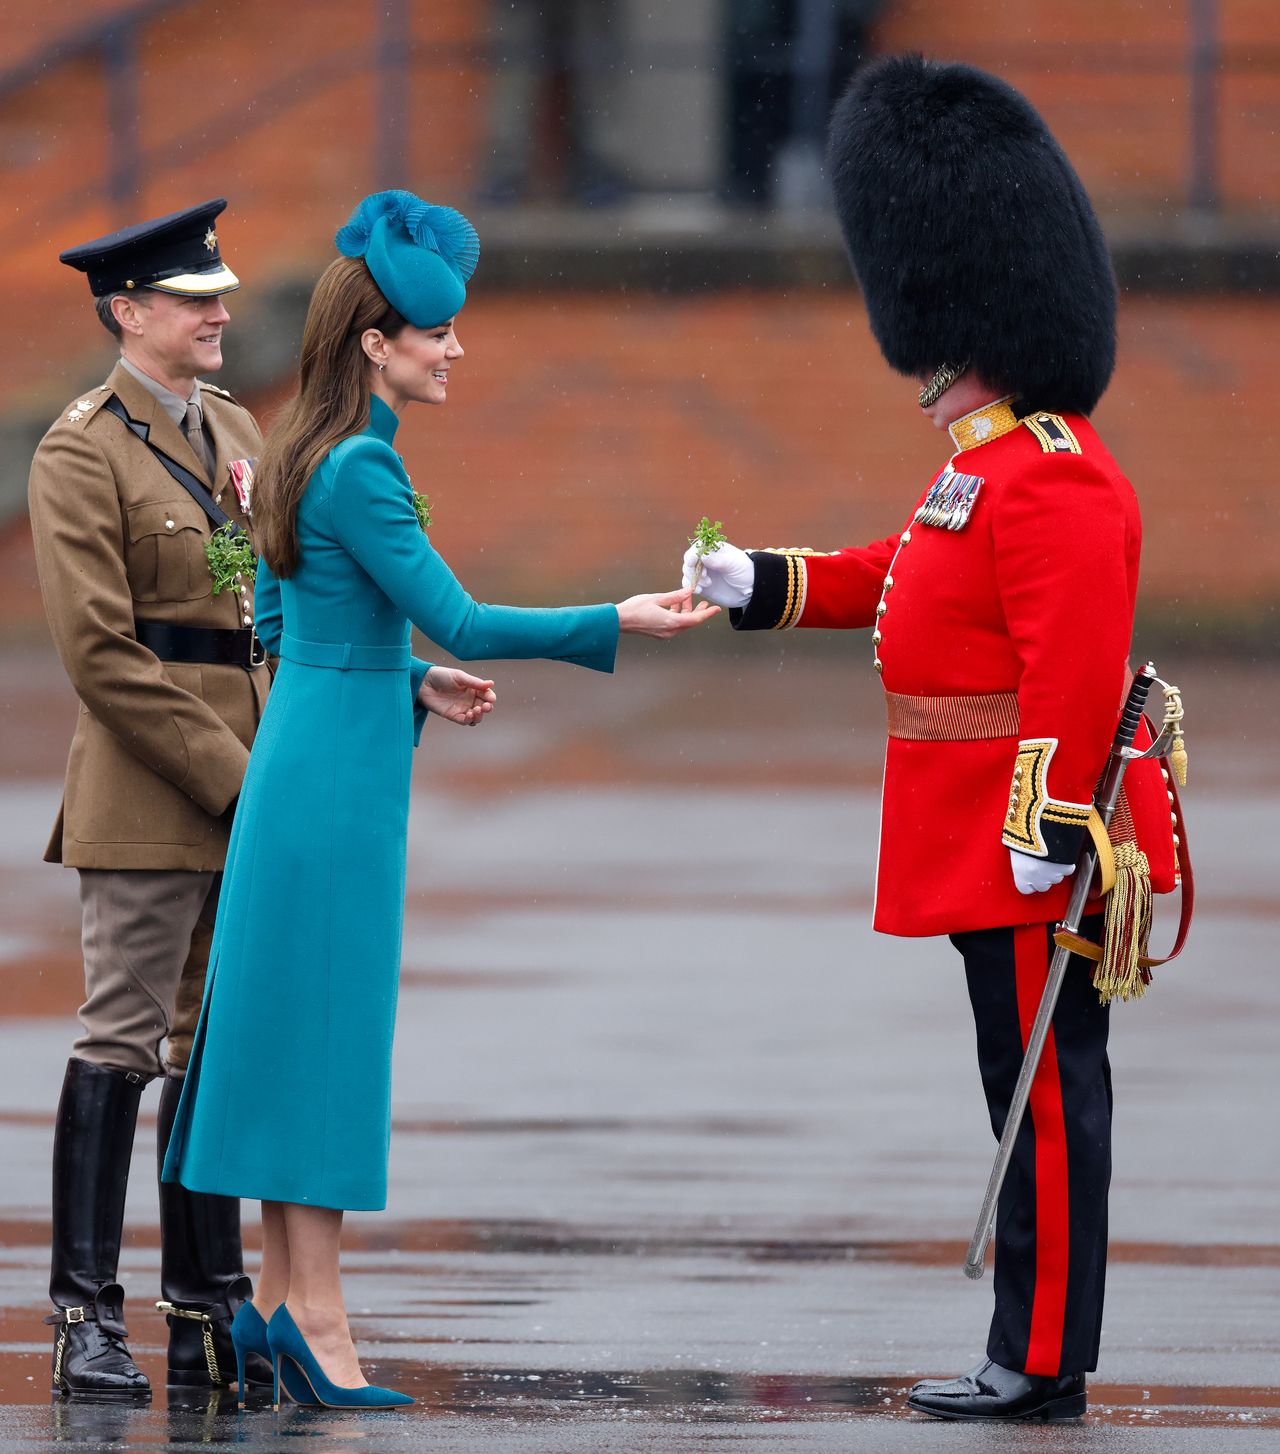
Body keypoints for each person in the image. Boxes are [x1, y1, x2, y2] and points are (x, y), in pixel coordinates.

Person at [683, 57, 1179, 1422]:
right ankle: (1028, 1340)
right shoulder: (984, 465)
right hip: (968, 827)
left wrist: (1048, 821)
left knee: (1047, 1102)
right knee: (1011, 1090)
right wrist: (761, 582)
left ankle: (1039, 1357)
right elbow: (894, 572)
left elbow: (1069, 673)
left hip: (1021, 834)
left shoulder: (1057, 475)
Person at [161, 189, 716, 1409]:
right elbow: (456, 610)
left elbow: (278, 625)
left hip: (309, 758)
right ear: (376, 344)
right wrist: (608, 617)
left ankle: (276, 1300)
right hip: (340, 786)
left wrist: (403, 679)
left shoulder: (303, 447)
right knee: (330, 1043)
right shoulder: (360, 466)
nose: (454, 349)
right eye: (435, 334)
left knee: (294, 1038)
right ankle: (316, 1315)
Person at [27, 200, 274, 1397]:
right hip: (148, 785)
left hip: (245, 777)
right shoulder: (81, 446)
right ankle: (84, 1315)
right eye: (195, 298)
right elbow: (98, 649)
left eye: (220, 293)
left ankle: (206, 1304)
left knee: (210, 1049)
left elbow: (261, 609)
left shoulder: (230, 426)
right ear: (129, 312)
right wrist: (243, 778)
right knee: (123, 1038)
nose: (221, 312)